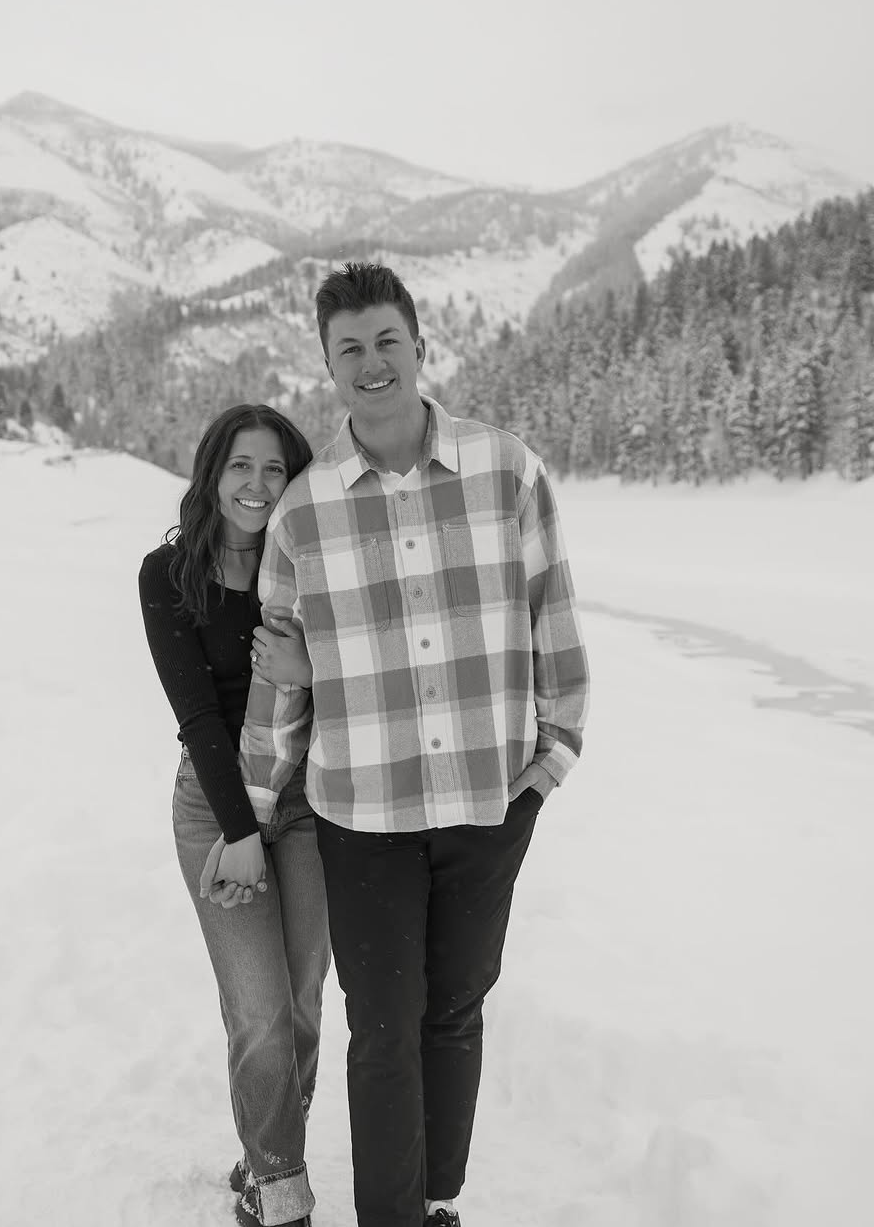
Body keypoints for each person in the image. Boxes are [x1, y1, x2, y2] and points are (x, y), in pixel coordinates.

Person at [237, 264, 590, 1227]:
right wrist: (254, 811)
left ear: (421, 346)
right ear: (328, 366)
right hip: (364, 815)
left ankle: (437, 1201)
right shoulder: (304, 510)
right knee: (383, 1029)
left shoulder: (506, 471)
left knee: (456, 1011)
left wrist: (547, 767)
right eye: (349, 348)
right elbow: (280, 677)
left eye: (387, 340)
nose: (372, 362)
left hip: (487, 805)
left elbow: (555, 622)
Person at [138, 404, 331, 1227]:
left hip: (311, 797)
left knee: (302, 1002)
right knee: (258, 1008)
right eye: (241, 466)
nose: (257, 484)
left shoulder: (315, 566)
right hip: (216, 806)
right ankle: (280, 1189)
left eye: (275, 468)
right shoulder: (168, 574)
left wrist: (313, 664)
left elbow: (365, 675)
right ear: (213, 473)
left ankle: (265, 1156)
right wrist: (242, 832)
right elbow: (198, 717)